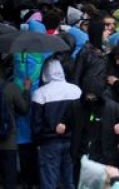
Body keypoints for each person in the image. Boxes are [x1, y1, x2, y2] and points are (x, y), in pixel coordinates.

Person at [32, 58, 80, 189]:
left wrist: (37, 141)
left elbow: (36, 122)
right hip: (72, 142)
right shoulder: (76, 90)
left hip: (49, 143)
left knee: (49, 181)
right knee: (70, 181)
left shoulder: (39, 93)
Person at [0, 61, 31, 189]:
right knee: (9, 180)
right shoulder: (11, 88)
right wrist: (27, 90)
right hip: (8, 142)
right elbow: (24, 109)